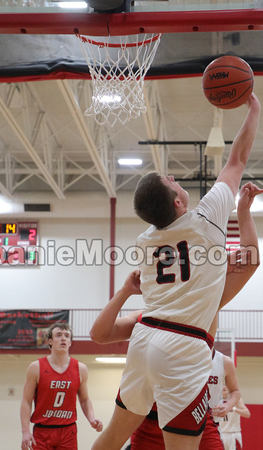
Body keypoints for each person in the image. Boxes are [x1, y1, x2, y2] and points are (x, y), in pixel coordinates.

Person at [91, 93, 261, 450]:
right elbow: (237, 160)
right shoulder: (205, 221)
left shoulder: (145, 242)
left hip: (145, 337)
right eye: (170, 180)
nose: (172, 175)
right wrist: (254, 108)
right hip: (183, 345)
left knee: (110, 439)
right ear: (179, 202)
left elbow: (236, 263)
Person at [20, 322, 103, 450]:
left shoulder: (80, 369)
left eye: (67, 336)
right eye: (58, 335)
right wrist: (25, 431)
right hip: (43, 431)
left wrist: (91, 419)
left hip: (67, 431)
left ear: (70, 342)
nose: (63, 338)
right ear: (50, 341)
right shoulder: (36, 367)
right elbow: (26, 401)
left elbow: (85, 399)